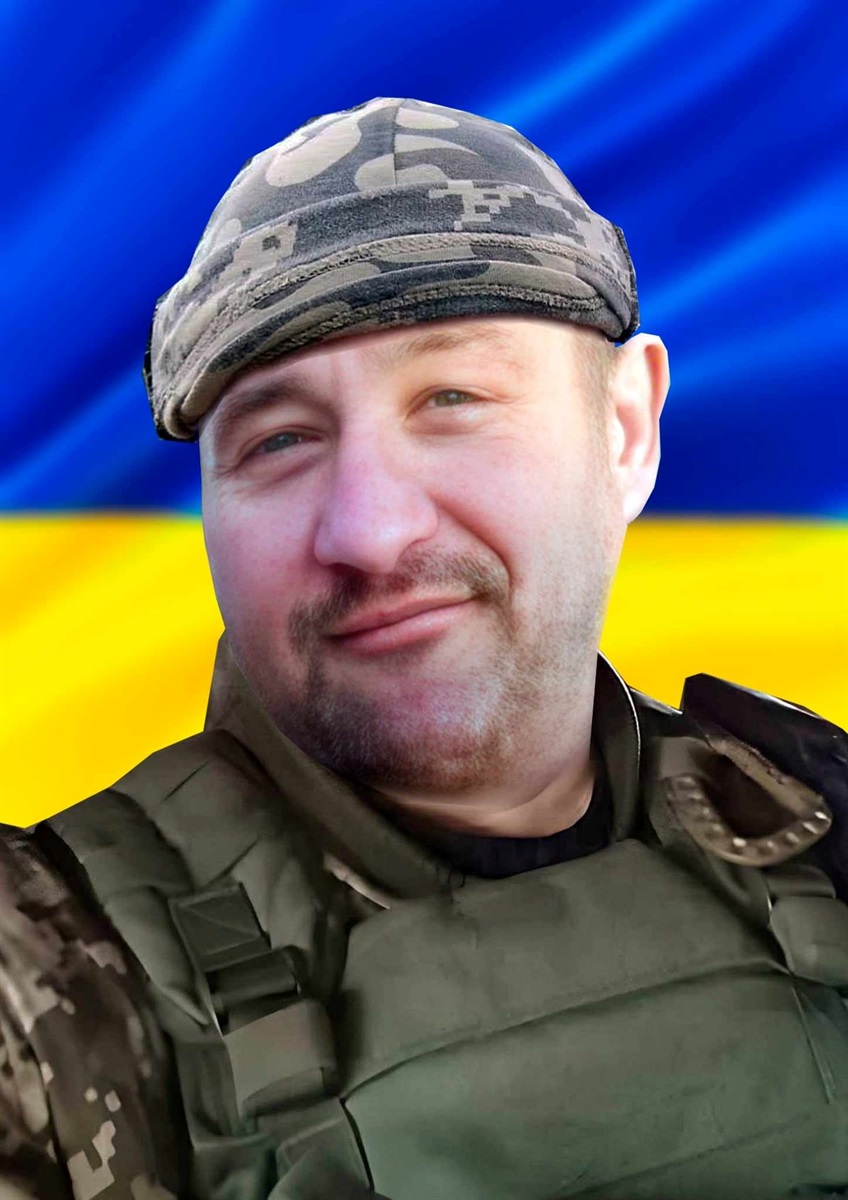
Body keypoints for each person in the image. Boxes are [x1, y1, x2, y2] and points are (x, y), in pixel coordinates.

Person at [3, 97, 847, 1200]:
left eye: (452, 398)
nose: (369, 530)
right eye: (279, 440)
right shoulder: (39, 974)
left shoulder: (824, 826)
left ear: (626, 431)